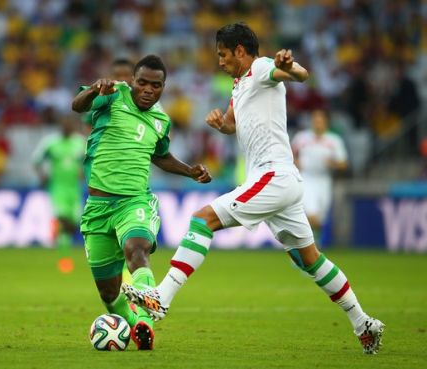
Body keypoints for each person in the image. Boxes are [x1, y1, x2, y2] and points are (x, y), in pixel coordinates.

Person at [122, 23, 384, 355]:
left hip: (272, 177)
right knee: (309, 260)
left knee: (203, 220)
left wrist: (291, 67)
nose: (219, 61)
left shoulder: (260, 68)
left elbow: (299, 75)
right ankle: (363, 323)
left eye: (223, 54)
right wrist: (223, 124)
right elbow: (234, 124)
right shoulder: (240, 84)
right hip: (282, 181)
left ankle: (160, 299)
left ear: (241, 52)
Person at [71, 55, 211, 350]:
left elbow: (160, 155)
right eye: (142, 82)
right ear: (132, 81)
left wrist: (189, 170)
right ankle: (139, 327)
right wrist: (95, 89)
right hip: (97, 208)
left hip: (134, 201)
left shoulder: (161, 120)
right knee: (109, 293)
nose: (148, 89)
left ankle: (150, 301)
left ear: (163, 88)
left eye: (156, 85)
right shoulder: (113, 96)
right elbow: (77, 105)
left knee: (137, 248)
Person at [32, 116, 85, 273]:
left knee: (73, 224)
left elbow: (90, 160)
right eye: (64, 123)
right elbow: (36, 160)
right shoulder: (51, 143)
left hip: (75, 190)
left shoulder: (80, 142)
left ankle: (61, 246)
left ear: (73, 126)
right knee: (64, 220)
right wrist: (42, 176)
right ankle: (64, 259)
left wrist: (83, 172)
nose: (67, 126)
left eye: (69, 123)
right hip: (57, 190)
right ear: (60, 126)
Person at [291, 109, 348, 246]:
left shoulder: (334, 141)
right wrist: (295, 163)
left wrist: (332, 163)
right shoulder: (301, 138)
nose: (317, 123)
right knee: (311, 215)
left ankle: (312, 248)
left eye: (320, 120)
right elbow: (289, 155)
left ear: (326, 122)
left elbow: (344, 164)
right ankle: (304, 250)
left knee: (319, 222)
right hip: (306, 179)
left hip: (324, 181)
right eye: (315, 120)